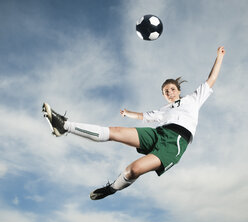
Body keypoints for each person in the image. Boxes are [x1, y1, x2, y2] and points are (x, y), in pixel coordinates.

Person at [42, 46, 225, 200]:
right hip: (159, 133)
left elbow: (211, 80)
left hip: (176, 142)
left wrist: (219, 57)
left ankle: (112, 188)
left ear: (178, 90)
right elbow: (143, 116)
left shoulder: (193, 99)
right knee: (115, 131)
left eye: (171, 89)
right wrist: (128, 113)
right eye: (165, 91)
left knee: (133, 170)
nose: (169, 92)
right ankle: (64, 125)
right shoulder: (163, 110)